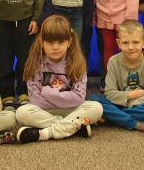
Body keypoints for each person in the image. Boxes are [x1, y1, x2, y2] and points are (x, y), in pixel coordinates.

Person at [15, 15, 104, 143]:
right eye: (50, 42)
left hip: (71, 110)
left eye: (60, 42)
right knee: (22, 112)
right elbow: (35, 100)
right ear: (41, 42)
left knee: (96, 108)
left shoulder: (77, 62)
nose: (55, 47)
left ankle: (45, 133)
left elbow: (79, 98)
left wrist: (47, 92)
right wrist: (65, 98)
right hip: (45, 111)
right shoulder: (36, 62)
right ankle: (73, 127)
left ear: (69, 42)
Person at [91, 20, 144, 136]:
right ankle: (137, 125)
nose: (130, 47)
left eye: (135, 42)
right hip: (118, 103)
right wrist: (131, 95)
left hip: (139, 105)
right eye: (125, 43)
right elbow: (109, 93)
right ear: (118, 43)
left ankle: (111, 117)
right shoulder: (113, 61)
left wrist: (125, 103)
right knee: (94, 100)